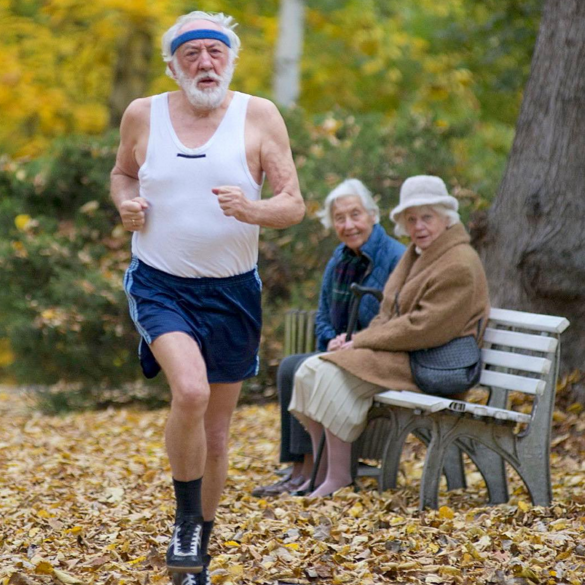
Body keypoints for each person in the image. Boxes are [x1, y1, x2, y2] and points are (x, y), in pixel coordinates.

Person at [110, 11, 304, 584]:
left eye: (214, 52)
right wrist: (126, 205)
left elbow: (293, 203)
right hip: (159, 282)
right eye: (191, 53)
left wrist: (254, 209)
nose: (204, 62)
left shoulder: (259, 115)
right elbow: (122, 174)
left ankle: (198, 546)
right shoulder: (143, 114)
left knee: (217, 435)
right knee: (189, 392)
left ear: (231, 59)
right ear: (173, 65)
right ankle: (184, 525)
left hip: (233, 291)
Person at [289, 175, 490, 497]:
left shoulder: (459, 263)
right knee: (309, 371)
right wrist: (354, 340)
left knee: (325, 372)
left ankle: (338, 477)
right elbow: (388, 311)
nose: (418, 226)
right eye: (411, 219)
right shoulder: (418, 253)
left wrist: (362, 341)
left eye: (427, 217)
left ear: (446, 218)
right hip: (406, 354)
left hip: (432, 363)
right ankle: (323, 471)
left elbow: (424, 327)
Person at [252, 179, 405, 497]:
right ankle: (300, 469)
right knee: (290, 366)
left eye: (355, 215)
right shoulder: (339, 259)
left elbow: (396, 319)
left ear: (373, 215)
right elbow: (322, 315)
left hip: (376, 354)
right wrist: (332, 338)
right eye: (339, 218)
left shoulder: (394, 257)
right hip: (343, 349)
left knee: (299, 368)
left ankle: (314, 469)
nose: (348, 225)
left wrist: (357, 339)